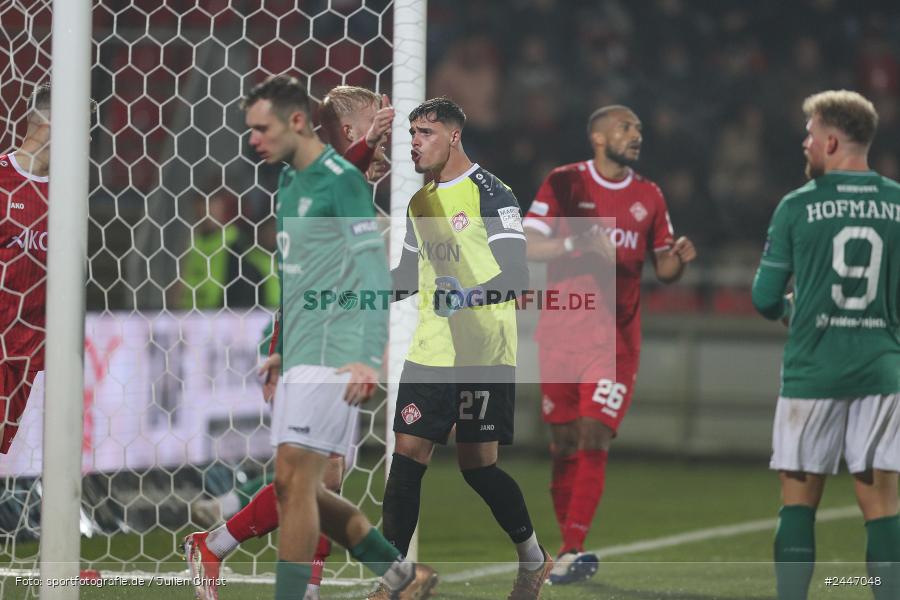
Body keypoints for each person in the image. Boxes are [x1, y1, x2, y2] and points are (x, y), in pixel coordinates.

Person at [185, 75, 435, 600]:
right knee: (303, 483)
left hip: (335, 349)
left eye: (261, 128)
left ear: (294, 123)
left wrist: (364, 355)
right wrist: (278, 346)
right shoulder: (292, 181)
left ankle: (279, 570)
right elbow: (298, 273)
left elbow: (366, 265)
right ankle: (395, 576)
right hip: (302, 344)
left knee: (310, 482)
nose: (252, 139)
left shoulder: (335, 180)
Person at [376, 97, 551, 600]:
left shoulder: (493, 194)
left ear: (453, 135)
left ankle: (533, 558)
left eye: (425, 133)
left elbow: (516, 276)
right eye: (411, 133)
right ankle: (393, 583)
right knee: (406, 456)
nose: (414, 142)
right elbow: (407, 279)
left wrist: (469, 296)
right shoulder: (419, 202)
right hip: (430, 350)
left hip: (483, 353)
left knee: (479, 468)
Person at [522, 105, 697, 584]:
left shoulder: (649, 195)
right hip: (560, 331)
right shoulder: (564, 181)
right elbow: (526, 241)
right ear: (598, 137)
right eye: (626, 127)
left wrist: (677, 260)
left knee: (594, 434)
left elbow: (662, 268)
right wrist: (574, 246)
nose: (636, 135)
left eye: (639, 127)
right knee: (562, 444)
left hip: (615, 339)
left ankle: (574, 546)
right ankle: (565, 548)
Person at [751, 90, 900, 600]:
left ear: (832, 140)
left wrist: (795, 309)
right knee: (881, 506)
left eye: (811, 134)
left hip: (812, 369)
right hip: (881, 369)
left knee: (798, 503)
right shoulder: (899, 204)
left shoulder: (797, 206)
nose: (806, 142)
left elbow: (765, 297)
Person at [1, 83, 96, 454]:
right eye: (82, 128)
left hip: (33, 361)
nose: (88, 140)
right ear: (52, 125)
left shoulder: (66, 195)